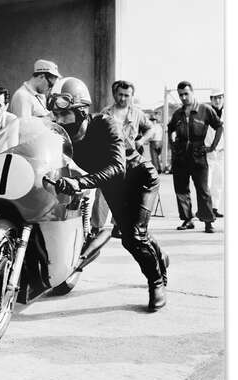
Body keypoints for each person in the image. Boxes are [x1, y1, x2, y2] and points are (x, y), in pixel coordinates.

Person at [49, 77, 169, 310]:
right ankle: (160, 257)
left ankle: (156, 283)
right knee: (134, 233)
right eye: (56, 115)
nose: (60, 120)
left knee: (132, 238)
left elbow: (117, 167)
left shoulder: (106, 123)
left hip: (140, 179)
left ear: (82, 111)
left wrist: (80, 182)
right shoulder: (63, 137)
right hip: (112, 187)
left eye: (66, 115)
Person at [91, 80, 154, 239]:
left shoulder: (137, 114)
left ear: (132, 96)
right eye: (120, 94)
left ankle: (118, 225)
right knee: (103, 194)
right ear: (114, 94)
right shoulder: (106, 112)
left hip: (129, 160)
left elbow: (151, 129)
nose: (123, 98)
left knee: (126, 194)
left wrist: (141, 140)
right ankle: (96, 227)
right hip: (109, 159)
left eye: (127, 95)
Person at [168, 81, 223, 233]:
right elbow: (170, 129)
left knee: (203, 190)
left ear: (192, 92)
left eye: (186, 94)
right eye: (181, 95)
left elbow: (219, 126)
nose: (184, 97)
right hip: (180, 157)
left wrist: (212, 147)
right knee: (181, 189)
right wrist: (173, 147)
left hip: (198, 155)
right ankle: (187, 219)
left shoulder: (205, 109)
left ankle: (207, 221)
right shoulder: (178, 113)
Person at [205, 89, 224, 218]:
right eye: (214, 98)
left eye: (220, 97)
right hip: (208, 152)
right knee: (206, 183)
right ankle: (205, 208)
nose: (217, 100)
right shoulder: (205, 112)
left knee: (219, 182)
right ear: (211, 99)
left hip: (222, 153)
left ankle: (215, 208)